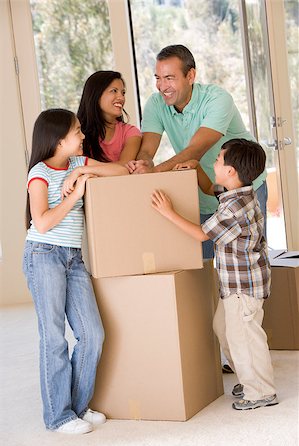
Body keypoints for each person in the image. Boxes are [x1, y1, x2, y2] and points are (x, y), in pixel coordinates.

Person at [151, 138, 278, 410]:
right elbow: (212, 189)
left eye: (218, 160)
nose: (214, 162)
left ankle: (261, 391)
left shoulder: (235, 208)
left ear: (231, 171)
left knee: (244, 337)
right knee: (224, 329)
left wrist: (168, 212)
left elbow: (201, 234)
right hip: (235, 285)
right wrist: (196, 168)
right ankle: (248, 377)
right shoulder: (236, 194)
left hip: (243, 288)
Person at [23, 108, 128, 434]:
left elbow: (123, 171)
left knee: (92, 334)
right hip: (43, 256)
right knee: (54, 339)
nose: (83, 135)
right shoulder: (38, 174)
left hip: (73, 258)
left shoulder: (79, 164)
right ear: (58, 140)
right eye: (77, 131)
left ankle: (78, 407)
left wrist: (81, 175)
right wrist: (76, 195)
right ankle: (59, 416)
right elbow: (42, 222)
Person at [127, 44, 267, 259]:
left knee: (245, 258)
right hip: (208, 190)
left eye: (169, 78)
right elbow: (147, 149)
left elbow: (196, 150)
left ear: (190, 75)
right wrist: (145, 163)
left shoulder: (218, 99)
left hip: (243, 189)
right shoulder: (156, 104)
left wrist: (154, 173)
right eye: (158, 77)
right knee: (207, 269)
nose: (162, 86)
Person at [77, 70, 142, 164]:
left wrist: (86, 170)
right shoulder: (76, 133)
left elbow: (124, 166)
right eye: (114, 91)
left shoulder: (131, 133)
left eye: (123, 93)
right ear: (96, 95)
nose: (121, 98)